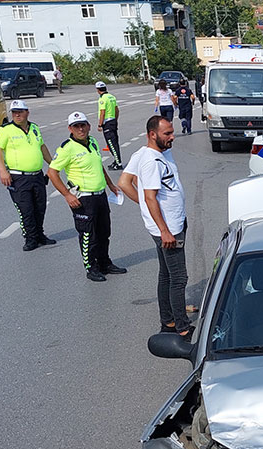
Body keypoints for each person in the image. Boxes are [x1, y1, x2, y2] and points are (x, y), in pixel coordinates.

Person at [118, 117, 192, 337]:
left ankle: (168, 321)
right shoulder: (150, 161)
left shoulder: (147, 153)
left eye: (172, 132)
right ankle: (181, 327)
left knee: (166, 275)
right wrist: (163, 229)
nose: (172, 137)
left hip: (172, 221)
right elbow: (150, 196)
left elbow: (124, 183)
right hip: (168, 228)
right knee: (179, 277)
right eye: (167, 133)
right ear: (153, 134)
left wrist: (150, 212)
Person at [47, 111, 125, 282]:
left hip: (100, 195)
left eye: (83, 125)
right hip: (83, 198)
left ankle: (105, 263)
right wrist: (67, 195)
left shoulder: (93, 142)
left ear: (89, 126)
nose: (80, 129)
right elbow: (52, 173)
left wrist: (110, 184)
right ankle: (91, 267)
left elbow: (99, 166)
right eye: (76, 126)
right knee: (88, 235)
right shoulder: (66, 148)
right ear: (70, 128)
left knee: (104, 232)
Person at [0, 99, 55, 251]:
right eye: (14, 113)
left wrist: (53, 165)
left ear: (27, 112)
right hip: (18, 177)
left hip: (37, 176)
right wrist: (2, 170)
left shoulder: (34, 128)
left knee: (40, 207)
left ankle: (40, 235)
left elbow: (42, 146)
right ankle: (30, 238)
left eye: (20, 112)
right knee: (26, 209)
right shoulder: (5, 130)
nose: (17, 115)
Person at [96, 81, 123, 170]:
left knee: (111, 144)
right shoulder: (112, 97)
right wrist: (115, 119)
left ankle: (118, 163)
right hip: (113, 121)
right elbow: (117, 110)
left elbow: (102, 112)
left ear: (98, 90)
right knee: (115, 142)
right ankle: (116, 161)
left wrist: (100, 124)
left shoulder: (102, 99)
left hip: (107, 123)